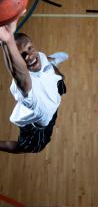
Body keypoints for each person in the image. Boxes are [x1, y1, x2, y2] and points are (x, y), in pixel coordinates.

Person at [0, 14, 68, 153]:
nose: (29, 56)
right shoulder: (27, 89)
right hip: (37, 125)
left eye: (30, 48)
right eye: (22, 56)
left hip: (51, 102)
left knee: (55, 73)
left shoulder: (39, 57)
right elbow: (18, 73)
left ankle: (52, 61)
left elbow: (37, 56)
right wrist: (7, 40)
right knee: (28, 147)